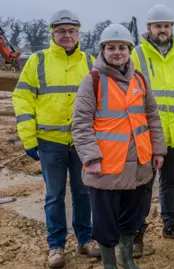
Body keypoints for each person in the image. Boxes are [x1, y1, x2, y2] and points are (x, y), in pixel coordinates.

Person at [72, 23, 167, 268]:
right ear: (102, 51)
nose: (117, 52)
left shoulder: (140, 80)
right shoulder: (92, 81)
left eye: (122, 47)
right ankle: (109, 263)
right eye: (111, 47)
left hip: (139, 165)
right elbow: (81, 123)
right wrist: (90, 158)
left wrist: (158, 150)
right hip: (105, 167)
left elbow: (152, 118)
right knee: (105, 222)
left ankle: (125, 257)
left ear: (129, 50)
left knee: (133, 216)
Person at [12, 9, 99, 268]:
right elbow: (23, 98)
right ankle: (56, 246)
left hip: (82, 141)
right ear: (53, 33)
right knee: (54, 195)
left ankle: (85, 240)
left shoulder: (89, 61)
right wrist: (29, 138)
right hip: (50, 142)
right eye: (61, 31)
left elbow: (101, 101)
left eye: (72, 30)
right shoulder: (37, 61)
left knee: (84, 193)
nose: (67, 35)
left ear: (78, 33)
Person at [130, 4, 174, 253]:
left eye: (167, 26)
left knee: (171, 180)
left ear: (172, 28)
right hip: (146, 134)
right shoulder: (136, 55)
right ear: (149, 28)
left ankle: (171, 224)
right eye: (158, 25)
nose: (163, 30)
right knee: (143, 184)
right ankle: (136, 233)